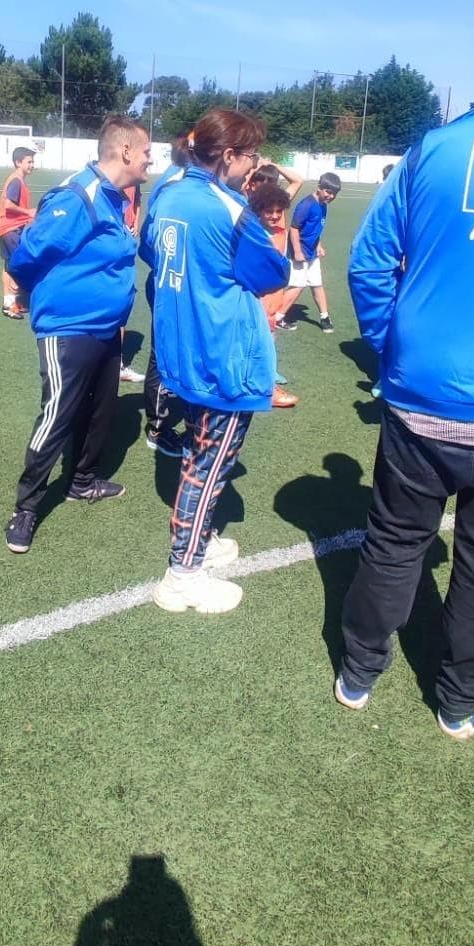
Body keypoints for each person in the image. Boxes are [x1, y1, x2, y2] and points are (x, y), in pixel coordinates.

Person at [337, 10, 474, 740]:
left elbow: (368, 264)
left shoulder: (431, 150)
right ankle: (460, 699)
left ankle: (357, 673)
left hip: (421, 403)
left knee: (392, 543)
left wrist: (394, 354)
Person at [140, 109, 290, 613]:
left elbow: (148, 249)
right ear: (227, 155)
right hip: (220, 353)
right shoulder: (227, 207)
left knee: (198, 452)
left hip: (181, 348)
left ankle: (198, 542)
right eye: (249, 156)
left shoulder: (167, 191)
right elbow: (272, 272)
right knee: (209, 464)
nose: (252, 166)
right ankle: (182, 573)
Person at [3, 116, 152, 553]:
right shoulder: (79, 195)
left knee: (100, 412)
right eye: (146, 152)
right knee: (58, 414)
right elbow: (28, 253)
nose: (150, 160)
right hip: (68, 330)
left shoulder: (112, 197)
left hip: (106, 330)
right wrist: (42, 299)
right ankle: (27, 507)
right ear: (125, 152)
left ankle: (82, 482)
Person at [142, 136, 193, 456]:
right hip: (169, 283)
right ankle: (157, 428)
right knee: (163, 354)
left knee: (175, 350)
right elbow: (149, 241)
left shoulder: (181, 177)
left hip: (174, 281)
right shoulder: (177, 183)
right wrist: (171, 270)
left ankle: (175, 416)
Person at [248, 181, 299, 407]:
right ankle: (268, 390)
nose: (275, 215)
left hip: (274, 301)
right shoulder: (253, 233)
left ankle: (261, 384)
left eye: (279, 211)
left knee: (267, 342)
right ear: (259, 209)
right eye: (269, 211)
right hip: (258, 301)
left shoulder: (281, 231)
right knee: (261, 346)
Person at [274, 172, 341, 334]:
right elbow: (294, 229)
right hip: (299, 252)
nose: (330, 196)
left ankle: (324, 317)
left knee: (317, 284)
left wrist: (319, 244)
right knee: (298, 285)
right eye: (328, 192)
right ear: (319, 188)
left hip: (311, 253)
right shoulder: (307, 205)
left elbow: (315, 229)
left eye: (334, 194)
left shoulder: (323, 205)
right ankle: (277, 318)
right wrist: (297, 252)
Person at [0, 146, 36, 318]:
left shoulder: (18, 180)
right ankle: (16, 302)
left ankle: (9, 303)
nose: (32, 165)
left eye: (33, 161)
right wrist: (29, 213)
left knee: (8, 266)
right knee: (20, 265)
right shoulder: (16, 181)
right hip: (11, 229)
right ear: (18, 162)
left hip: (6, 228)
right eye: (29, 161)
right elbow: (8, 205)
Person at [118, 183, 146, 384]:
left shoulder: (134, 181)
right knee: (117, 306)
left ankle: (115, 363)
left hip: (126, 238)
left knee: (122, 305)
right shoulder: (113, 179)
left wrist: (136, 221)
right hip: (116, 239)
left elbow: (137, 201)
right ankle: (116, 366)